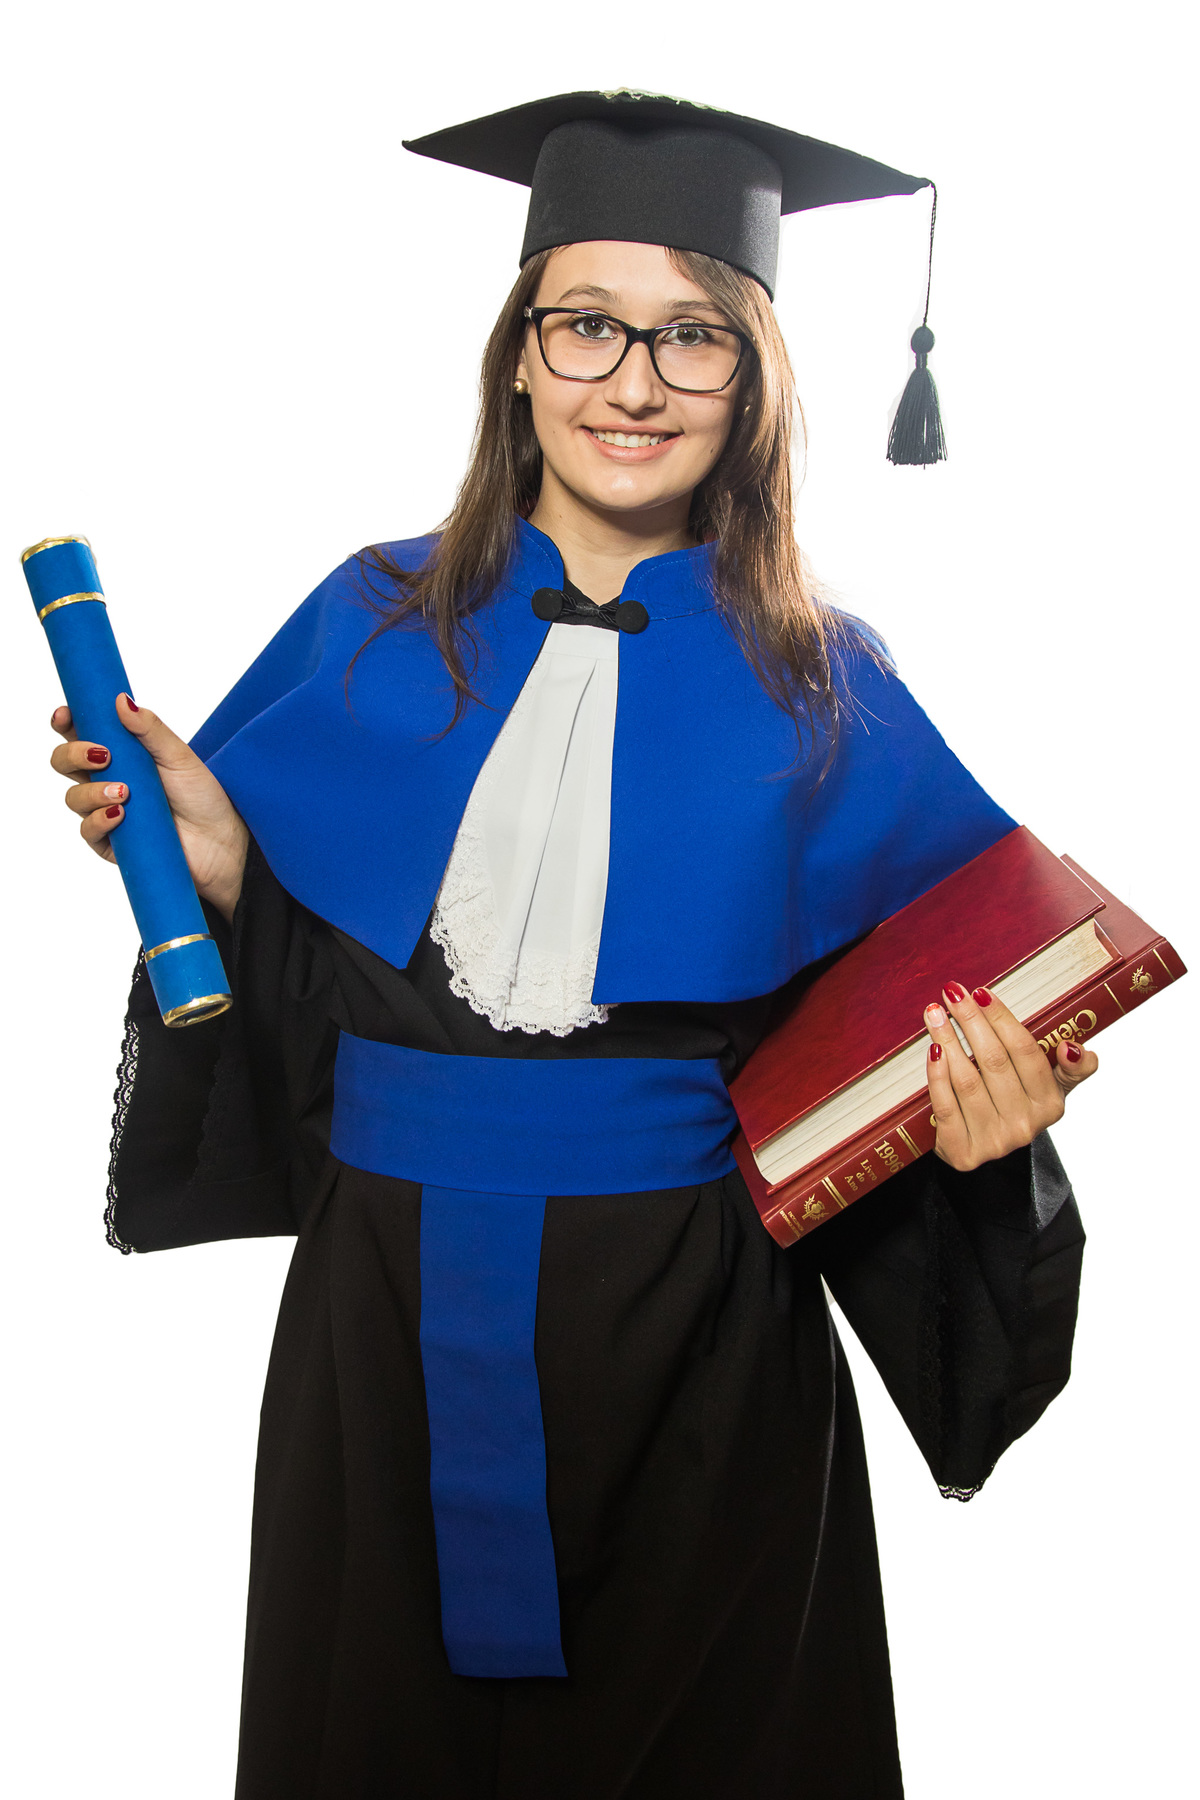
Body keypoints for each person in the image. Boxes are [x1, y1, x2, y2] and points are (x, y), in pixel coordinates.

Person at [48, 92, 1093, 1800]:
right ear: (519, 356)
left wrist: (984, 1147)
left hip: (701, 1349)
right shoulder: (369, 618)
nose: (634, 381)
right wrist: (234, 875)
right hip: (385, 1326)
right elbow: (324, 1039)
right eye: (588, 323)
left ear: (752, 380)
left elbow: (876, 1060)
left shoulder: (827, 682)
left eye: (694, 336)